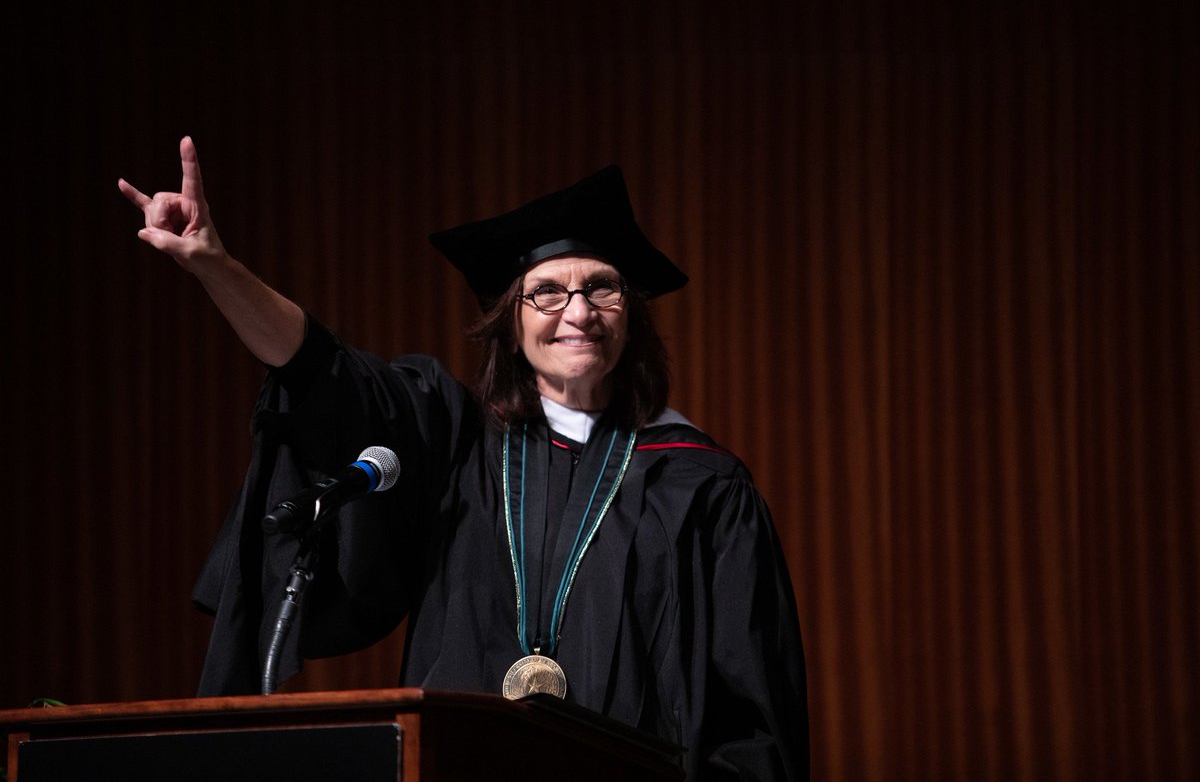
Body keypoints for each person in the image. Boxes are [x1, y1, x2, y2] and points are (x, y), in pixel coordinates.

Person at [119, 137, 810, 780]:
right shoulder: (456, 449)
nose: (578, 311)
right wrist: (218, 269)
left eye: (603, 287)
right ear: (511, 321)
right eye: (546, 292)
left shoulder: (703, 487)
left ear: (630, 314)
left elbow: (752, 715)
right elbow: (322, 373)